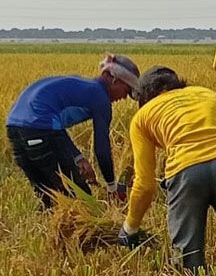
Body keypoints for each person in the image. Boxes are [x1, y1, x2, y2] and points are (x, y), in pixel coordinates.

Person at [119, 67, 216, 275]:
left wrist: (130, 228)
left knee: (187, 255)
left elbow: (145, 184)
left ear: (143, 97)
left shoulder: (143, 116)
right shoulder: (207, 94)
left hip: (185, 171)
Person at [5, 54, 140, 208]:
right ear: (115, 80)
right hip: (39, 129)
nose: (124, 97)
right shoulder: (100, 97)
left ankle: (52, 228)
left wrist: (77, 157)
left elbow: (55, 126)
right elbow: (102, 149)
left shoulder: (81, 85)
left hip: (14, 127)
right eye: (127, 90)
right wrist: (111, 186)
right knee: (80, 199)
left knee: (49, 195)